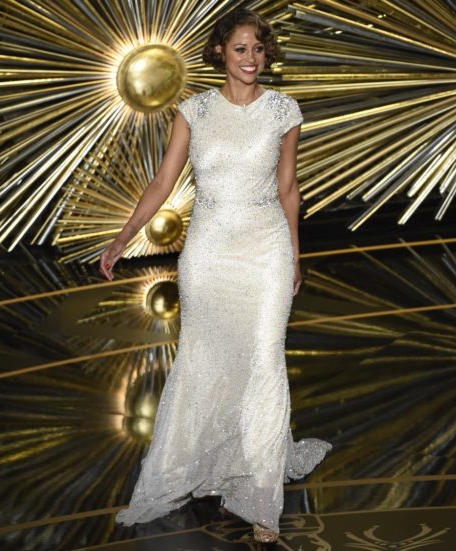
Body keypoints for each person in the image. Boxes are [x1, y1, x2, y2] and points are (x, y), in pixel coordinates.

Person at [99, 8, 331, 544]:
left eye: (258, 49)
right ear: (221, 52)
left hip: (266, 250)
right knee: (207, 359)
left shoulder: (284, 110)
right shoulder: (194, 111)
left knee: (264, 359)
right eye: (241, 49)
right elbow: (163, 182)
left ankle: (262, 500)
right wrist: (123, 238)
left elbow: (288, 189)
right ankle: (209, 461)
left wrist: (295, 256)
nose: (251, 58)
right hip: (208, 253)